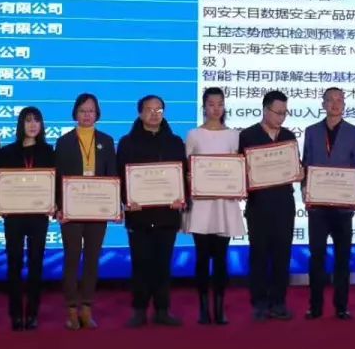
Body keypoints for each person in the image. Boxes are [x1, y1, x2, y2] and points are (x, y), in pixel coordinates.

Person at [117, 95, 188, 328]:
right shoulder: (127, 143)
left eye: (159, 110)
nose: (154, 114)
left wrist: (182, 198)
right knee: (140, 264)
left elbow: (183, 175)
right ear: (140, 113)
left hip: (167, 215)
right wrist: (126, 200)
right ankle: (139, 310)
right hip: (139, 215)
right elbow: (120, 177)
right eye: (149, 109)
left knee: (163, 265)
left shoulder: (175, 142)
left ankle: (162, 310)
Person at [302, 87, 355, 320]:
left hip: (343, 206)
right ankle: (315, 306)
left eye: (339, 99)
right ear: (323, 104)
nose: (335, 103)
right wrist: (304, 187)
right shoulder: (311, 131)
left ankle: (342, 306)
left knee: (342, 257)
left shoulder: (354, 132)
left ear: (344, 104)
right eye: (330, 100)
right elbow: (306, 163)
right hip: (318, 206)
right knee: (316, 256)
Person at [55, 92, 117, 330]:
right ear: (75, 113)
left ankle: (87, 308)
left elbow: (112, 175)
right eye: (83, 111)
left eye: (91, 111)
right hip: (71, 210)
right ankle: (71, 309)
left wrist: (114, 206)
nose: (87, 115)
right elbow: (58, 177)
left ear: (97, 113)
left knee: (92, 258)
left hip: (97, 209)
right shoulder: (64, 142)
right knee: (72, 257)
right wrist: (59, 206)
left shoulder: (107, 141)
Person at [239, 90, 301, 322]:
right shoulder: (248, 135)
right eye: (278, 112)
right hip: (258, 204)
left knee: (282, 255)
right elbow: (239, 170)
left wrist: (300, 172)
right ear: (265, 110)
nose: (281, 117)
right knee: (259, 254)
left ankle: (279, 302)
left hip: (284, 203)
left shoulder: (288, 136)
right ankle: (259, 302)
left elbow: (296, 165)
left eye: (285, 113)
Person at [183, 87, 244, 325]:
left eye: (220, 104)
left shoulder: (234, 135)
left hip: (224, 204)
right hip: (201, 205)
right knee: (201, 257)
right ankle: (202, 307)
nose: (216, 109)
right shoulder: (194, 135)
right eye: (211, 104)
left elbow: (239, 167)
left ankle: (219, 307)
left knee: (220, 258)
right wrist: (190, 177)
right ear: (204, 107)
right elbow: (186, 168)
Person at [0, 106, 55, 330]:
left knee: (35, 263)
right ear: (21, 124)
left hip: (38, 216)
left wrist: (55, 203)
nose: (32, 125)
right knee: (14, 263)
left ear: (41, 125)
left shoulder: (49, 152)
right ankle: (15, 313)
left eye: (36, 120)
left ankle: (32, 312)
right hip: (14, 216)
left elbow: (55, 183)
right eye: (28, 120)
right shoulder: (6, 152)